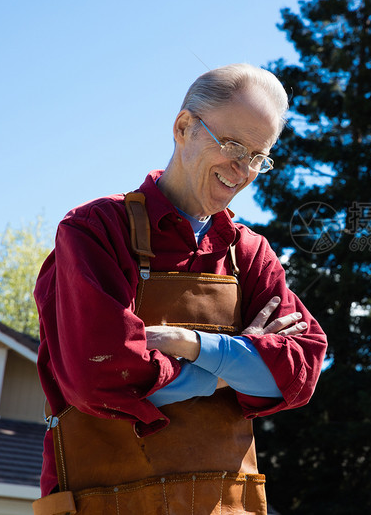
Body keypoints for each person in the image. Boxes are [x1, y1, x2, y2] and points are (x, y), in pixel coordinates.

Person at [32, 64, 327, 515]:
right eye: (232, 145)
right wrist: (238, 361)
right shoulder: (95, 230)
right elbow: (102, 375)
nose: (242, 168)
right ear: (184, 127)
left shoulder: (249, 253)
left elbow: (303, 368)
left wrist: (195, 346)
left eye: (257, 156)